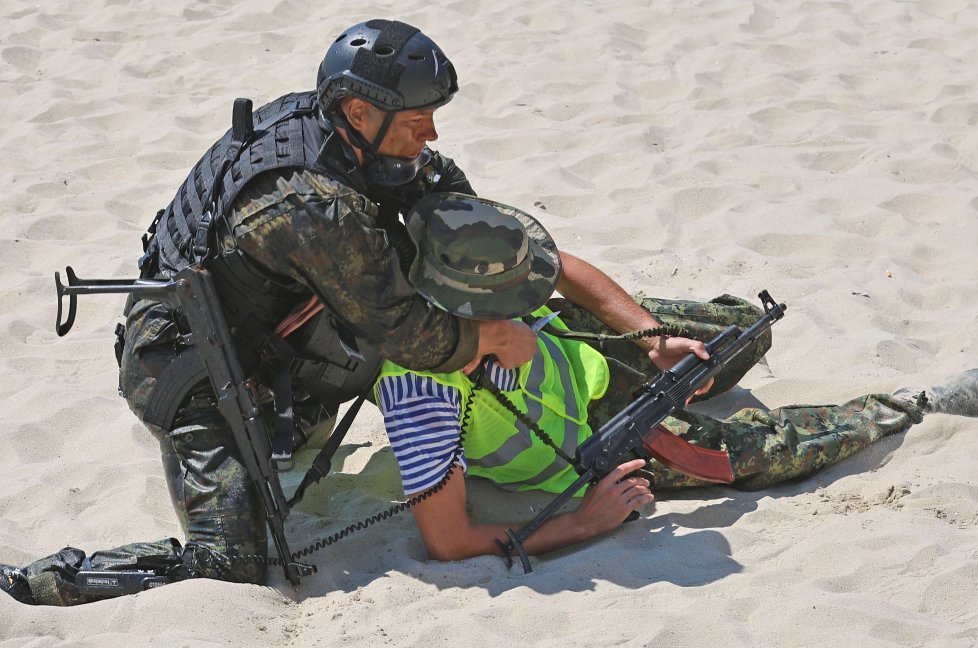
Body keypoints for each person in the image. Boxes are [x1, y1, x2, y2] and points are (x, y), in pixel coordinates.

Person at [0, 19, 728, 606]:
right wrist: (488, 337)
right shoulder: (308, 205)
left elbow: (464, 223)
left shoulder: (358, 141)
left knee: (668, 338)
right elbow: (412, 336)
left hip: (301, 341)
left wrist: (647, 335)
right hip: (199, 377)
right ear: (359, 111)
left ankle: (672, 337)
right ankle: (42, 580)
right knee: (233, 562)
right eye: (420, 120)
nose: (432, 136)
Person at [372, 193, 978, 562]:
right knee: (752, 450)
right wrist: (584, 523)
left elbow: (564, 269)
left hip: (590, 351)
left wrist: (651, 338)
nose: (528, 287)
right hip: (592, 442)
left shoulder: (468, 253)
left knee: (744, 327)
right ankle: (911, 406)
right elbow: (449, 541)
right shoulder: (420, 387)